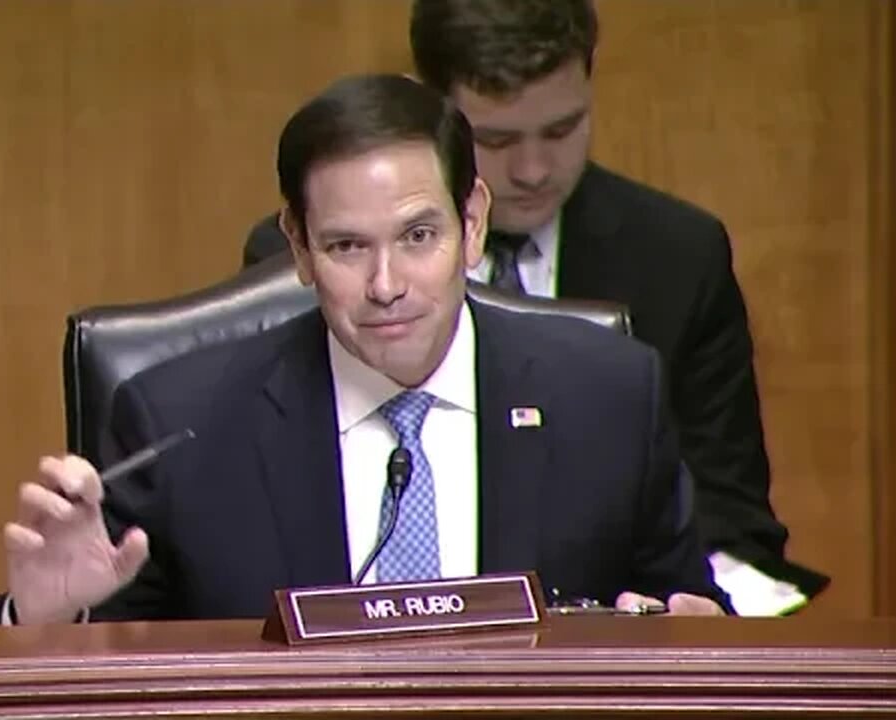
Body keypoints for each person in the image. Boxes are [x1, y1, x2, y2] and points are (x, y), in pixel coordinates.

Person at [0, 74, 727, 626]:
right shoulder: (183, 426)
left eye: (418, 236)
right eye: (345, 246)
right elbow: (94, 679)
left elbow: (681, 617)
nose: (386, 284)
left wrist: (700, 644)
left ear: (472, 225)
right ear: (298, 247)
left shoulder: (609, 397)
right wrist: (41, 620)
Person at [241, 0, 826, 613]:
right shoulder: (301, 259)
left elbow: (728, 515)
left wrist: (698, 613)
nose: (533, 169)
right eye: (496, 138)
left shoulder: (677, 257)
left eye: (561, 129)